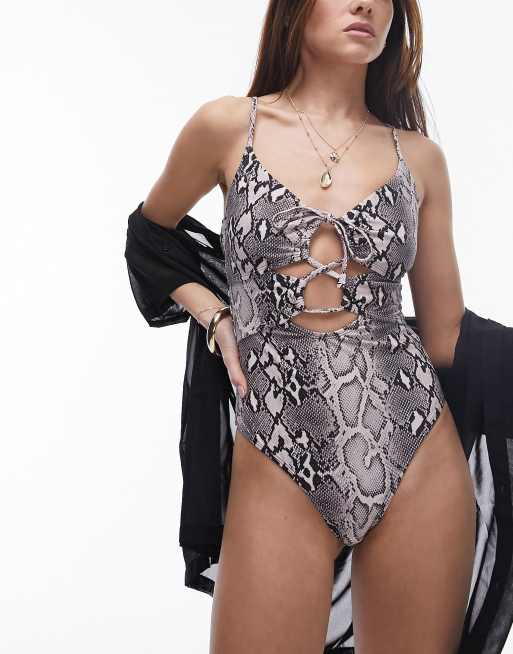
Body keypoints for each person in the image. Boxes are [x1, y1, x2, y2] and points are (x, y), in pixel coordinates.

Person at [138, 1, 477, 651]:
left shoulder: (419, 159)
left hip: (414, 452)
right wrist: (215, 314)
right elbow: (150, 240)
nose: (366, 4)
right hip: (278, 449)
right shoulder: (227, 126)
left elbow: (446, 336)